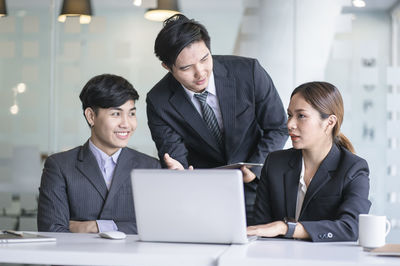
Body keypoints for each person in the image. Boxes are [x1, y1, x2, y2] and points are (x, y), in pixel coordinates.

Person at [146, 14, 288, 224]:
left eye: (205, 59)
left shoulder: (248, 72)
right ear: (168, 67)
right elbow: (175, 156)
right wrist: (178, 173)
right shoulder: (159, 101)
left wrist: (254, 167)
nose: (200, 72)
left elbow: (277, 127)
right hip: (203, 194)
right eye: (186, 68)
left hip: (259, 185)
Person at [37, 74, 182, 234]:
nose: (126, 124)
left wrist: (95, 226)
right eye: (116, 114)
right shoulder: (60, 166)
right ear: (91, 116)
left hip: (132, 259)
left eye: (131, 114)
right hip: (79, 258)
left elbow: (160, 227)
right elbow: (51, 230)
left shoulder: (151, 167)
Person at [247, 81, 371, 242]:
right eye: (290, 115)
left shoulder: (353, 168)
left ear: (329, 122)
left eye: (301, 116)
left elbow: (351, 227)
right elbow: (261, 227)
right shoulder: (275, 163)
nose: (290, 124)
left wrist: (287, 228)